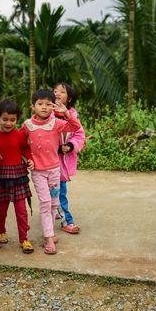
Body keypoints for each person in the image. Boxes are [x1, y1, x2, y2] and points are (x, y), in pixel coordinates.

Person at [21, 89, 81, 255]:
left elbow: (76, 127)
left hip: (55, 171)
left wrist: (67, 113)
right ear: (33, 106)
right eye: (40, 104)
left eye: (48, 104)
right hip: (38, 172)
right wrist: (27, 159)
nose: (44, 107)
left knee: (54, 203)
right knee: (46, 203)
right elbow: (21, 144)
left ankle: (50, 232)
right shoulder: (27, 125)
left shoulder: (56, 123)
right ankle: (48, 237)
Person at [0, 99, 35, 254]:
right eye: (5, 119)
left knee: (21, 209)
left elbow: (26, 149)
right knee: (1, 209)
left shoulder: (20, 135)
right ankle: (0, 231)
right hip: (1, 177)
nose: (8, 123)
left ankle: (24, 238)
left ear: (17, 119)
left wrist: (30, 160)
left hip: (18, 176)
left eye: (13, 120)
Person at [54, 82, 86, 234]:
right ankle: (56, 212)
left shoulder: (73, 115)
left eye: (62, 91)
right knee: (51, 193)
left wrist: (71, 146)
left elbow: (79, 134)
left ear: (69, 98)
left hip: (62, 163)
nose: (57, 93)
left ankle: (67, 220)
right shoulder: (46, 112)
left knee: (60, 192)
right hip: (47, 162)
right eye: (55, 91)